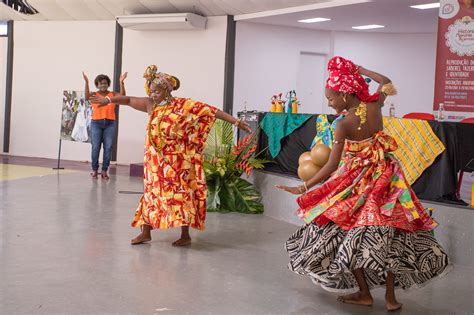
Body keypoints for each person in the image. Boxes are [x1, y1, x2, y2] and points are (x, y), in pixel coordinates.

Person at [277, 56, 451, 311]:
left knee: (351, 233)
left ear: (346, 95)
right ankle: (391, 298)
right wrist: (363, 71)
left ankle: (365, 293)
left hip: (359, 184)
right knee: (394, 231)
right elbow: (387, 82)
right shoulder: (374, 106)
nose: (329, 102)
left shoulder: (343, 124)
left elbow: (331, 166)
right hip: (389, 178)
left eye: (332, 97)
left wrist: (304, 186)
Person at [90, 65, 251, 246]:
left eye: (157, 91)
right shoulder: (151, 105)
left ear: (167, 90)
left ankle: (185, 235)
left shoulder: (183, 105)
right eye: (151, 91)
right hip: (154, 162)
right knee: (151, 195)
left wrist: (236, 121)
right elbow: (127, 99)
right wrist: (109, 101)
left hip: (177, 163)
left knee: (180, 196)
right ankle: (145, 232)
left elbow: (211, 111)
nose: (153, 95)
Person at [83, 72, 127, 179]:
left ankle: (104, 170)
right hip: (96, 124)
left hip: (110, 124)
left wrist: (121, 82)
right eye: (100, 83)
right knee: (95, 147)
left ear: (108, 84)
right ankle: (94, 170)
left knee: (108, 148)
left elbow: (123, 96)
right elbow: (86, 96)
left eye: (105, 83)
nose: (103, 85)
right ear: (97, 85)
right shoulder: (94, 95)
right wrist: (87, 83)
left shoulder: (112, 95)